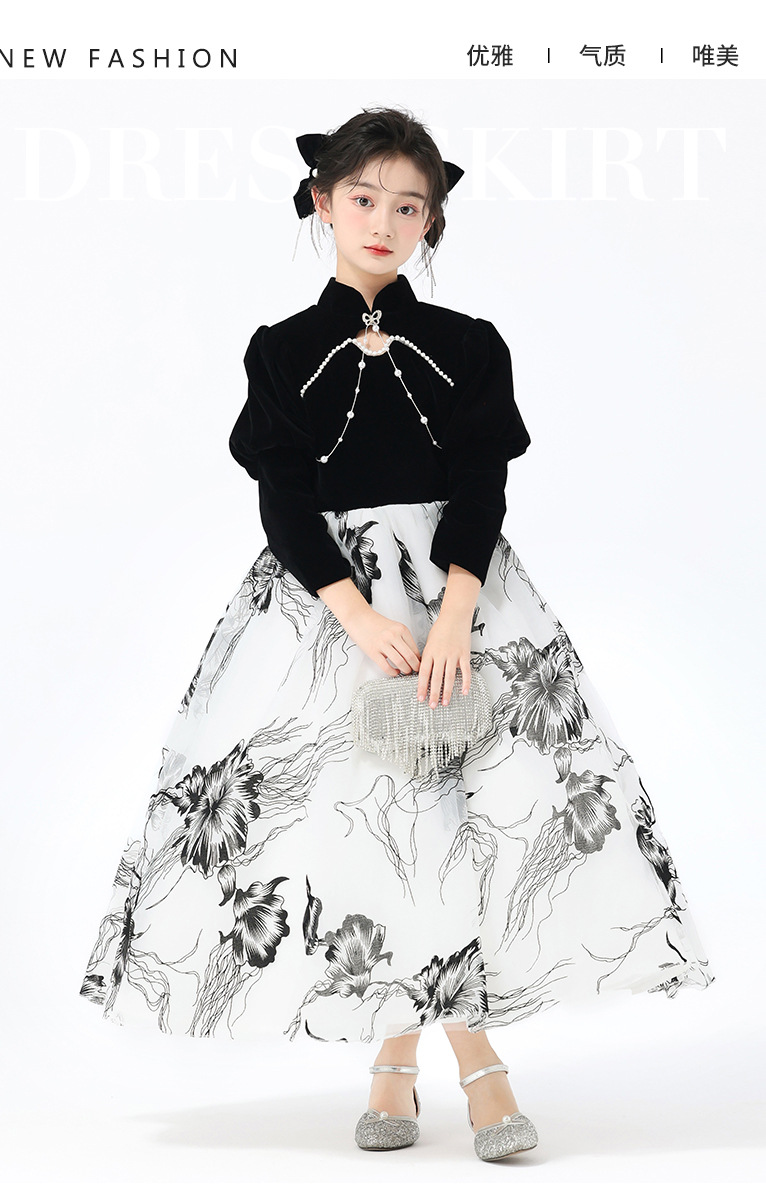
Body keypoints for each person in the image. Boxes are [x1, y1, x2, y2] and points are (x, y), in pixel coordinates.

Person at [79, 106, 714, 1163]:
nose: (384, 222)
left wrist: (455, 609)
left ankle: (418, 1065)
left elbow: (482, 481)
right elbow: (283, 498)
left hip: (466, 600)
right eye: (363, 198)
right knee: (375, 832)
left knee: (464, 822)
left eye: (408, 206)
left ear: (432, 220)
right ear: (322, 203)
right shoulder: (281, 350)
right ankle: (447, 1065)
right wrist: (355, 611)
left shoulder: (468, 344)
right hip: (326, 616)